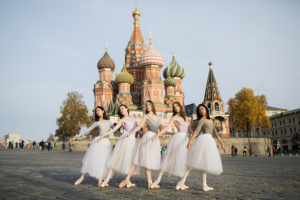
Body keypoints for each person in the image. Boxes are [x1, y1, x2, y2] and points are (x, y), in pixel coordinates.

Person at [176, 104, 226, 192]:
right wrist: (190, 140)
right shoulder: (201, 120)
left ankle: (204, 185)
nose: (201, 111)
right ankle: (182, 181)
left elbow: (216, 133)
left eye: (202, 109)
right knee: (192, 163)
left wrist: (222, 143)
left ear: (206, 109)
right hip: (203, 141)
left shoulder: (211, 120)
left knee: (204, 164)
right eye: (199, 110)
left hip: (210, 141)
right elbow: (196, 131)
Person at [70, 106, 122, 187]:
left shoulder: (109, 122)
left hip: (106, 143)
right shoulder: (97, 122)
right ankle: (82, 177)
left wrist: (125, 134)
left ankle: (100, 180)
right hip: (98, 142)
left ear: (103, 111)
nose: (97, 112)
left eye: (99, 110)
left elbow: (116, 130)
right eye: (96, 111)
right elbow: (87, 130)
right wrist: (76, 136)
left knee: (103, 161)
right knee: (92, 159)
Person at [118, 100, 164, 189]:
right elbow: (139, 127)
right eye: (146, 105)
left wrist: (174, 134)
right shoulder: (146, 116)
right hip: (147, 138)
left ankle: (150, 183)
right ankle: (127, 178)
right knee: (138, 157)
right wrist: (130, 133)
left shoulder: (158, 117)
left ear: (152, 106)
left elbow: (162, 130)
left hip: (155, 140)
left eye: (149, 105)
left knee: (148, 161)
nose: (147, 106)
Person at [151, 102, 194, 190]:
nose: (175, 108)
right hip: (177, 139)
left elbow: (191, 130)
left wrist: (194, 138)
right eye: (174, 107)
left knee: (183, 161)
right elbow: (166, 128)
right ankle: (157, 180)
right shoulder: (174, 118)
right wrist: (158, 135)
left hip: (185, 139)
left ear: (180, 107)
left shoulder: (186, 118)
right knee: (169, 158)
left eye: (177, 106)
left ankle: (181, 182)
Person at [98, 104, 143, 188]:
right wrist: (104, 135)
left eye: (122, 108)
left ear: (127, 109)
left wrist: (147, 134)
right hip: (125, 139)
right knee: (116, 157)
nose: (121, 110)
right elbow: (114, 129)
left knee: (130, 160)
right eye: (120, 110)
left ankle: (128, 182)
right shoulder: (122, 120)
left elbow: (138, 131)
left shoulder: (134, 119)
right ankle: (106, 179)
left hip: (132, 140)